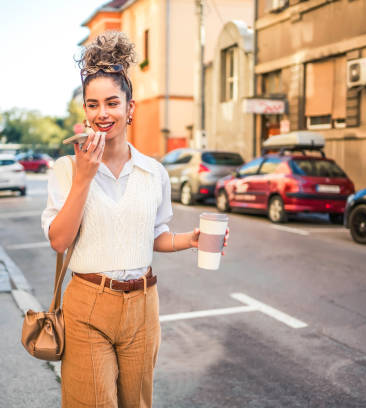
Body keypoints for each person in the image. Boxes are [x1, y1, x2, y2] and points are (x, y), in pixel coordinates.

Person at [41, 31, 228, 408]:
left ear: (130, 108)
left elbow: (154, 236)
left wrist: (189, 240)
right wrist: (84, 176)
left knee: (137, 403)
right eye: (92, 105)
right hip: (88, 305)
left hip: (143, 306)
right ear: (86, 113)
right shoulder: (67, 169)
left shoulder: (153, 172)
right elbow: (59, 241)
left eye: (112, 102)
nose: (102, 113)